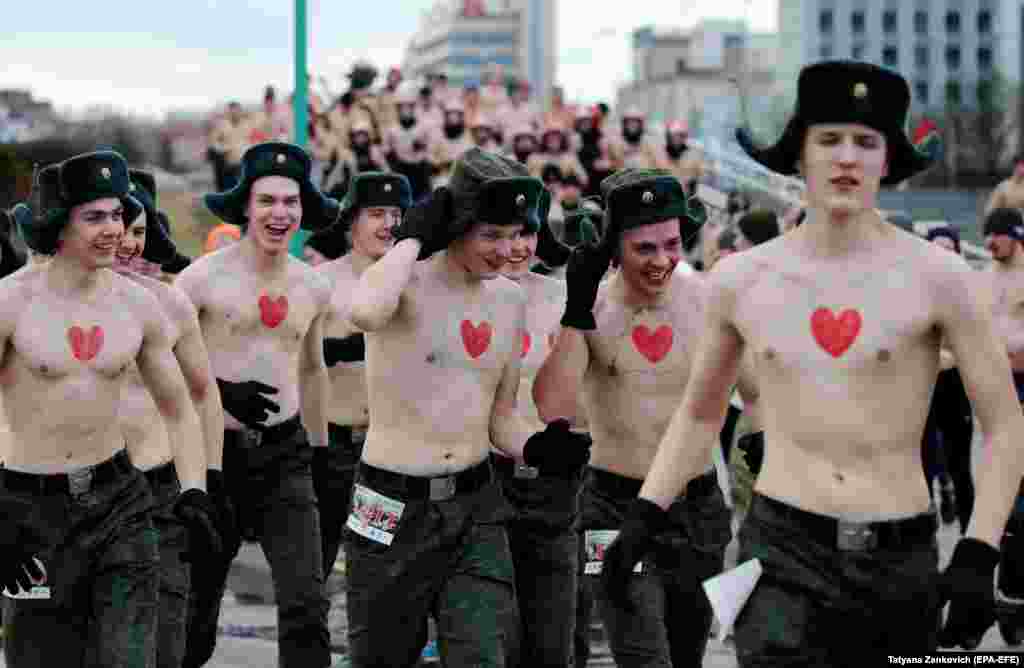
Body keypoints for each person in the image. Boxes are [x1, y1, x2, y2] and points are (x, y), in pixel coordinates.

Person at [603, 60, 1024, 662]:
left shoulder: (942, 277)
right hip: (781, 550)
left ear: (888, 159)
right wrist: (645, 514)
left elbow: (1006, 424)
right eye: (828, 139)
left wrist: (981, 551)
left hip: (898, 555)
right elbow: (699, 415)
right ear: (800, 153)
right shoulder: (741, 279)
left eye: (866, 142)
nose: (847, 157)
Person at [345, 147, 589, 667]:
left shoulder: (508, 300)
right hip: (390, 504)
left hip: (476, 507)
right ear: (456, 223)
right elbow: (364, 310)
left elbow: (500, 417)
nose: (507, 251)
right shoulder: (404, 282)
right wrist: (411, 237)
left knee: (482, 654)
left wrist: (540, 448)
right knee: (378, 657)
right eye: (491, 235)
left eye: (516, 234)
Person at [1, 151, 221, 668]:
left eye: (117, 215)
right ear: (59, 222)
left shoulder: (138, 304)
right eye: (94, 217)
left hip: (119, 504)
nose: (113, 230)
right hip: (30, 512)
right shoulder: (11, 302)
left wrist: (195, 489)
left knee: (130, 658)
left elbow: (179, 407)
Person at [533, 168, 728, 667]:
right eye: (645, 248)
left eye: (671, 244)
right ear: (615, 248)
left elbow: (755, 386)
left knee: (687, 657)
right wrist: (577, 305)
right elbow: (553, 406)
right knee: (644, 659)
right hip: (614, 510)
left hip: (697, 509)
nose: (662, 260)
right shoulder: (591, 306)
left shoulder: (706, 298)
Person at [176, 142, 338, 668]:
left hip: (285, 457)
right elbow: (159, 369)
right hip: (212, 457)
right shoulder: (201, 278)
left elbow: (312, 370)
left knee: (306, 603)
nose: (279, 213)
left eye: (290, 202)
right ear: (246, 206)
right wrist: (221, 390)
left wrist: (321, 454)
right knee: (197, 609)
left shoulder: (312, 285)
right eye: (267, 200)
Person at [111, 169, 233, 668]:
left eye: (140, 232)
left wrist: (207, 483)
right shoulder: (48, 305)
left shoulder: (170, 305)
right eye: (122, 229)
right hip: (88, 492)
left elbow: (202, 396)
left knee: (169, 640)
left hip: (161, 490)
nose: (129, 244)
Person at [495, 191, 589, 667]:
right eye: (505, 234)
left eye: (527, 233)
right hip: (489, 479)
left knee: (554, 637)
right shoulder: (467, 296)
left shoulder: (559, 296)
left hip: (554, 482)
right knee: (497, 635)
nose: (517, 246)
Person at [313, 171, 411, 579]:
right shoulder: (322, 282)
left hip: (396, 447)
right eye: (376, 213)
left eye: (396, 213)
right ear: (352, 220)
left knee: (387, 563)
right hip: (335, 448)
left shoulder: (418, 280)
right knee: (317, 562)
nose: (388, 224)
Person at [979, 208, 1024, 645]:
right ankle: (1010, 597)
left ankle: (1012, 595)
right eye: (985, 237)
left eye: (996, 236)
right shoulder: (986, 277)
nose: (989, 244)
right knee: (1005, 498)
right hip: (998, 395)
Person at [920, 224, 972, 529]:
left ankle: (970, 534)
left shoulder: (968, 290)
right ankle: (925, 538)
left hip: (953, 382)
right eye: (936, 249)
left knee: (960, 465)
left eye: (948, 249)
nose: (942, 255)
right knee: (921, 463)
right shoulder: (913, 288)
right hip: (922, 384)